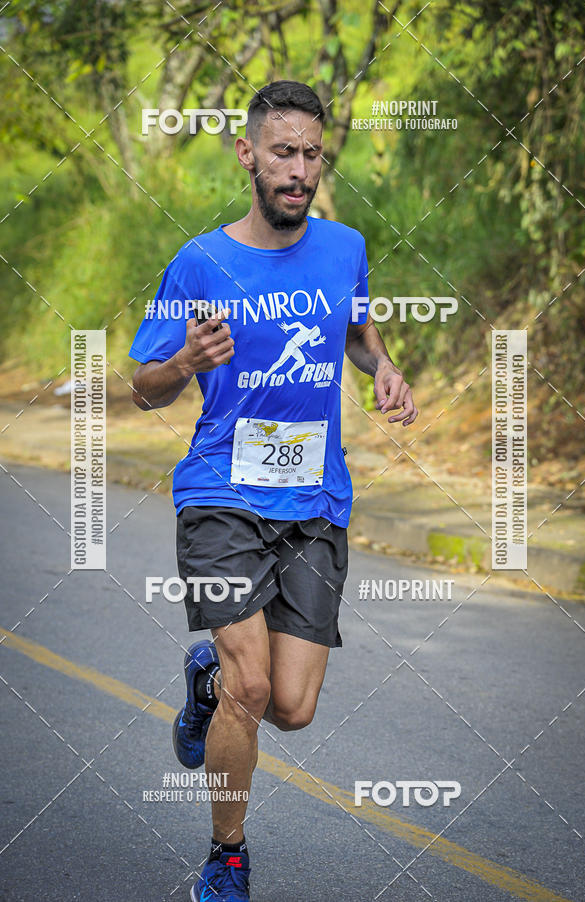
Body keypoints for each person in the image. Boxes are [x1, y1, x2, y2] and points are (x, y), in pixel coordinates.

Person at [129, 80, 418, 902]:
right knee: (252, 687)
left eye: (311, 154)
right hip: (221, 493)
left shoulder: (345, 246)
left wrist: (386, 367)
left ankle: (204, 682)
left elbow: (359, 333)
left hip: (316, 501)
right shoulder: (199, 262)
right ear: (247, 154)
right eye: (282, 152)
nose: (298, 170)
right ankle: (227, 855)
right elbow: (143, 387)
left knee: (290, 707)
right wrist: (182, 365)